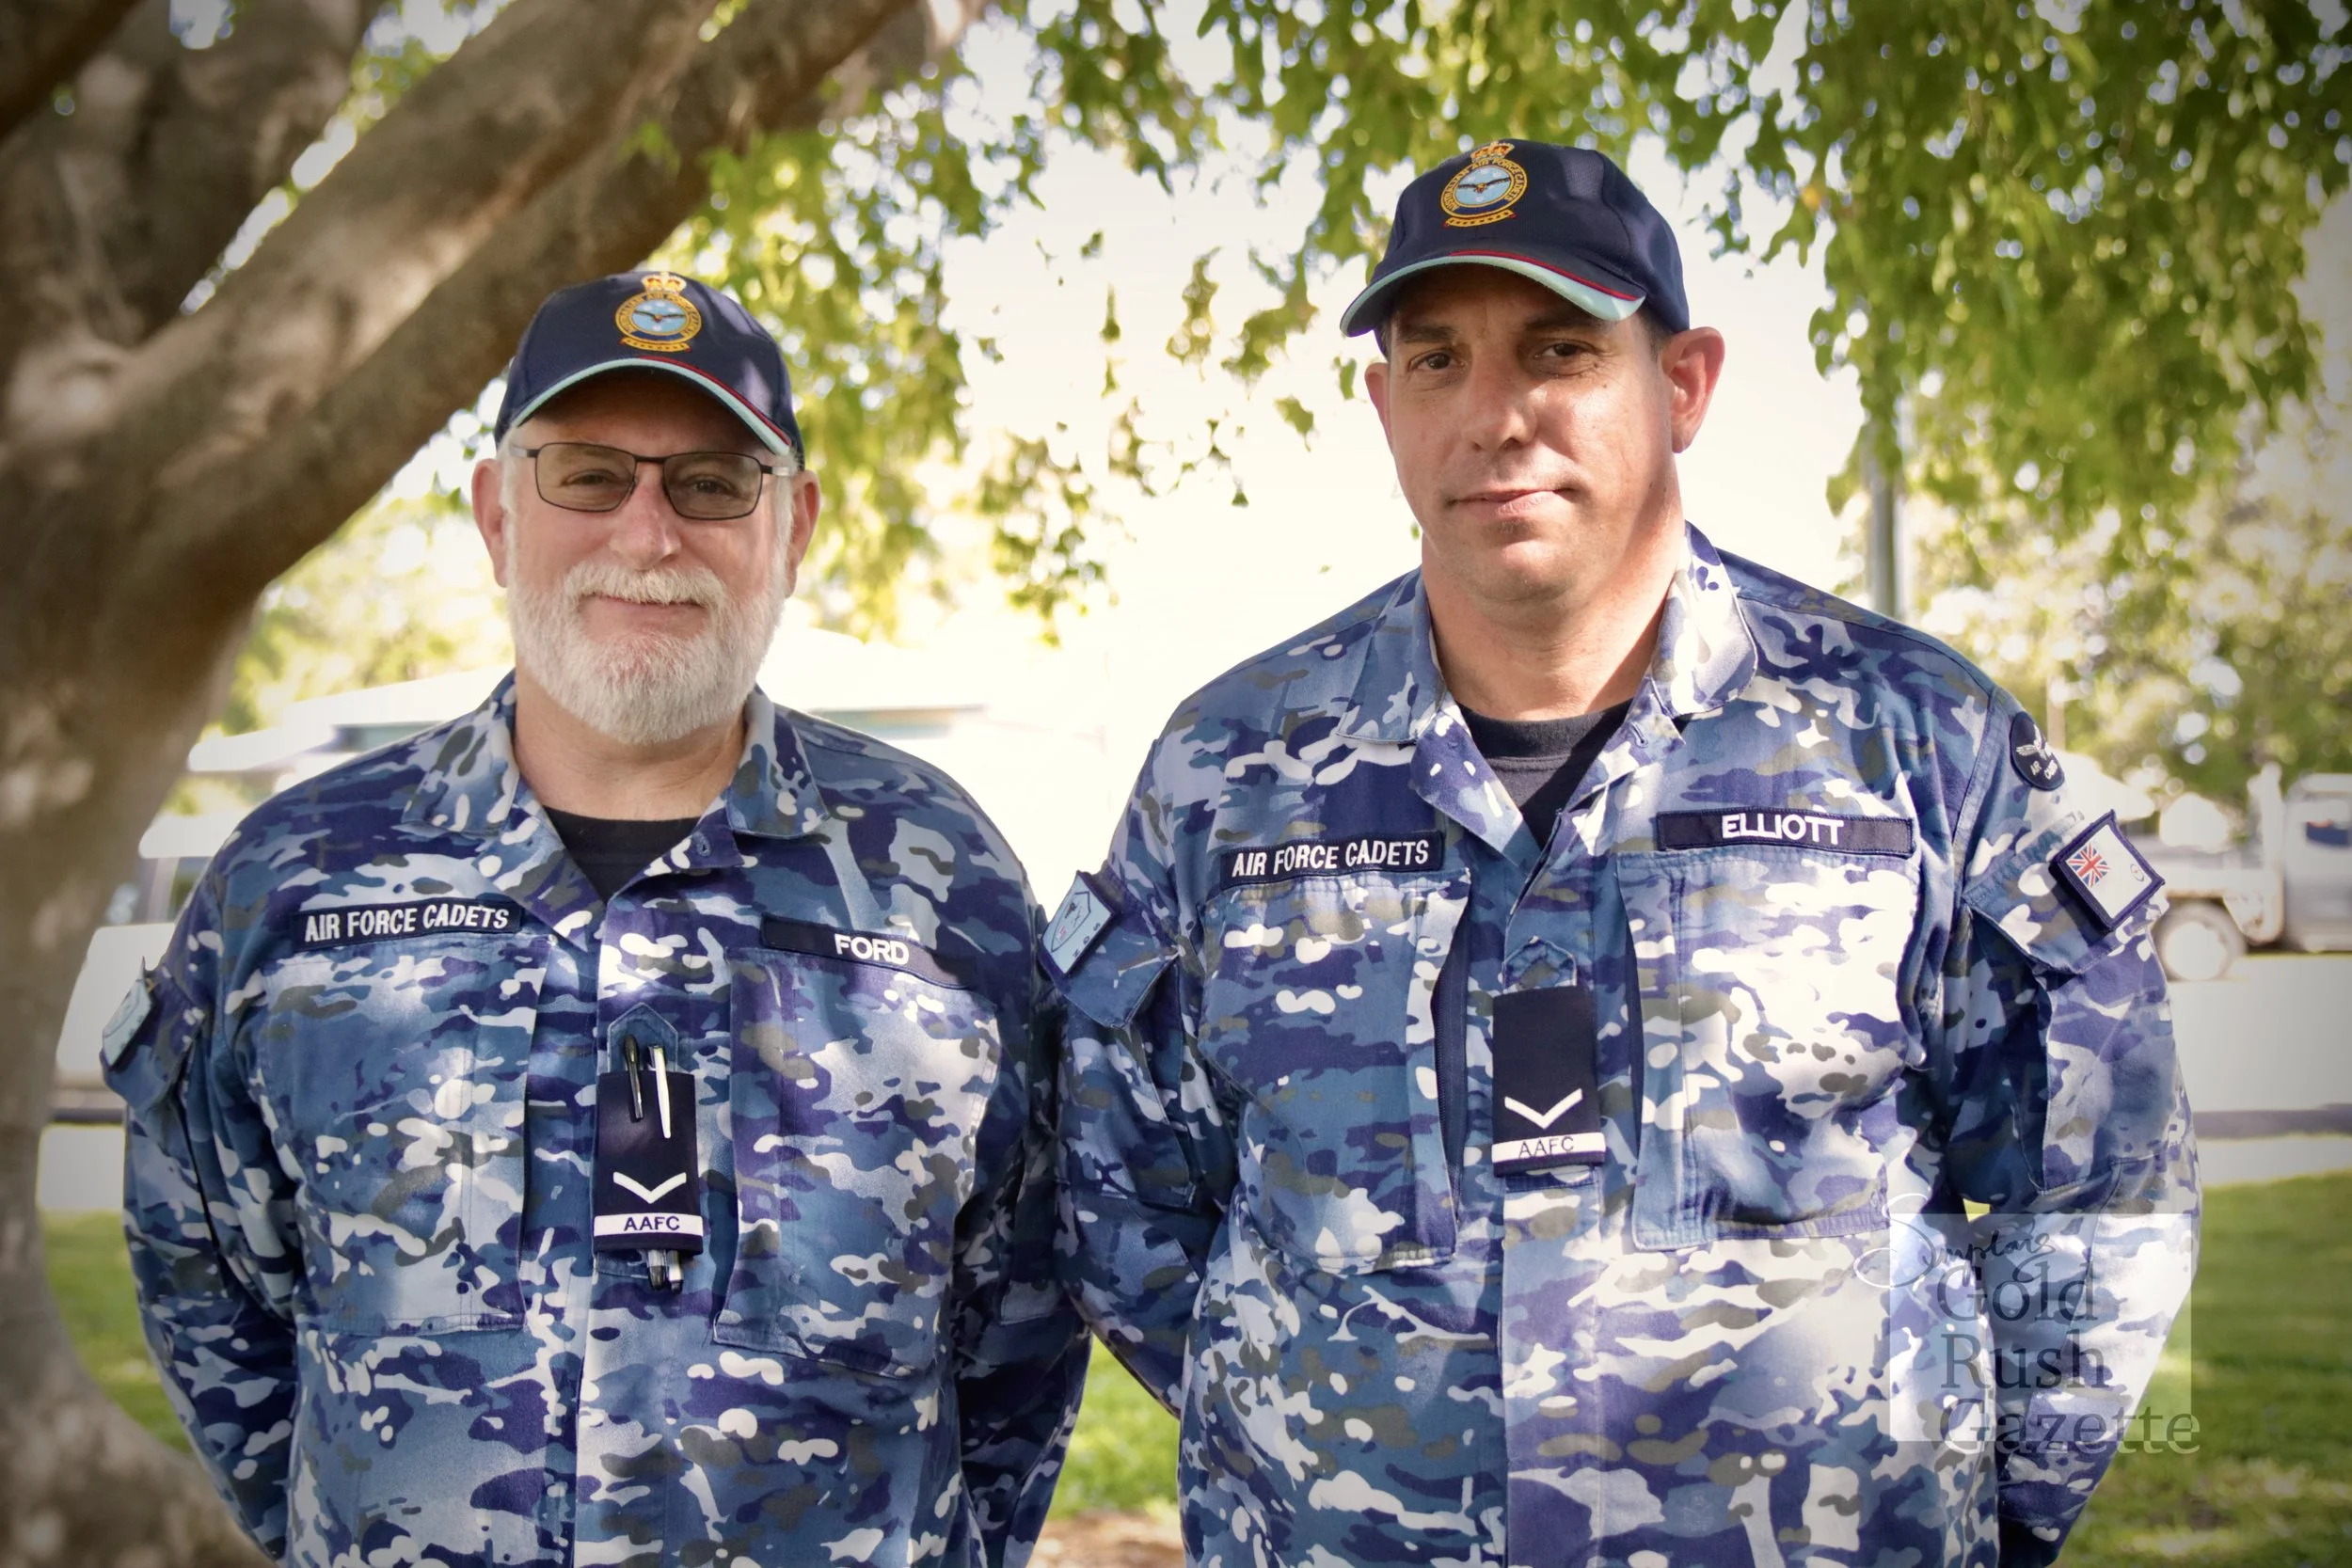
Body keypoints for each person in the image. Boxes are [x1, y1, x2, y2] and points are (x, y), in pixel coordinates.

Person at [1047, 140, 2197, 1567]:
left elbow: (2101, 1190)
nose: (1496, 417)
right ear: (1382, 404)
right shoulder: (1228, 775)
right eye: (1436, 361)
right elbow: (1127, 1202)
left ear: (1684, 383)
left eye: (1559, 350)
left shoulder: (1915, 742)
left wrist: (1966, 1519)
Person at [103, 270, 1086, 1566]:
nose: (648, 533)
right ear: (497, 515)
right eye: (584, 475)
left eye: (712, 483)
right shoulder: (289, 887)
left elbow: (1019, 1330)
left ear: (792, 527)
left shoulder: (939, 881)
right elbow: (214, 1298)